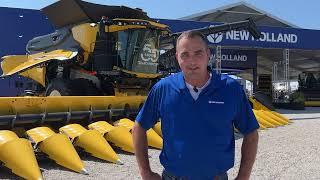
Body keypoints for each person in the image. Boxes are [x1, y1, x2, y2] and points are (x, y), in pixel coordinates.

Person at [132, 30, 259, 180]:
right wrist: (145, 172)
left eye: (198, 53)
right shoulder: (163, 89)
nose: (192, 62)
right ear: (177, 58)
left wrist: (243, 176)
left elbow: (251, 133)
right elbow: (138, 128)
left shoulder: (230, 89)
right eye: (185, 55)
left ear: (208, 54)